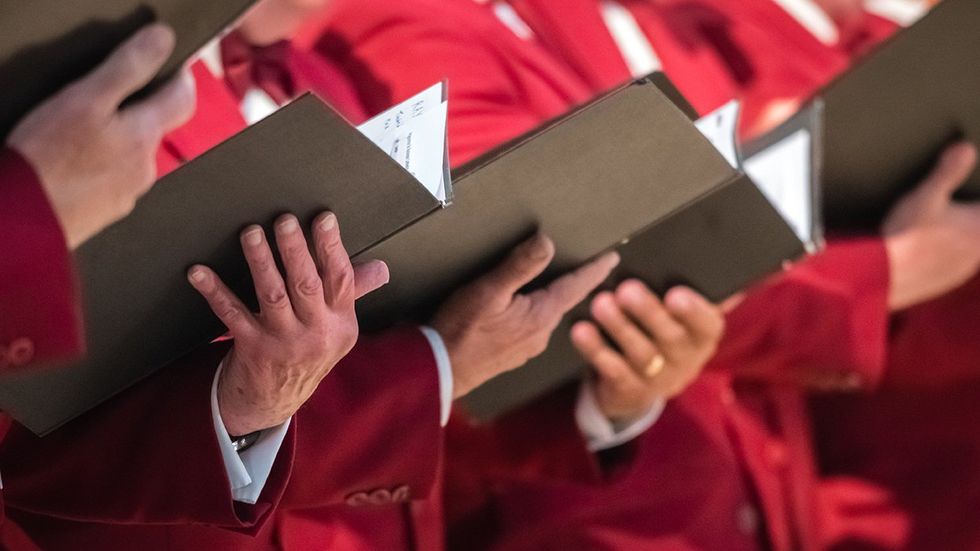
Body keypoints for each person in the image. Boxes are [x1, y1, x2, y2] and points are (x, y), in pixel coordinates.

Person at [311, 0, 980, 549]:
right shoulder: (406, 24)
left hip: (753, 495)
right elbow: (550, 256)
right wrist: (883, 271)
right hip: (580, 517)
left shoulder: (685, 21)